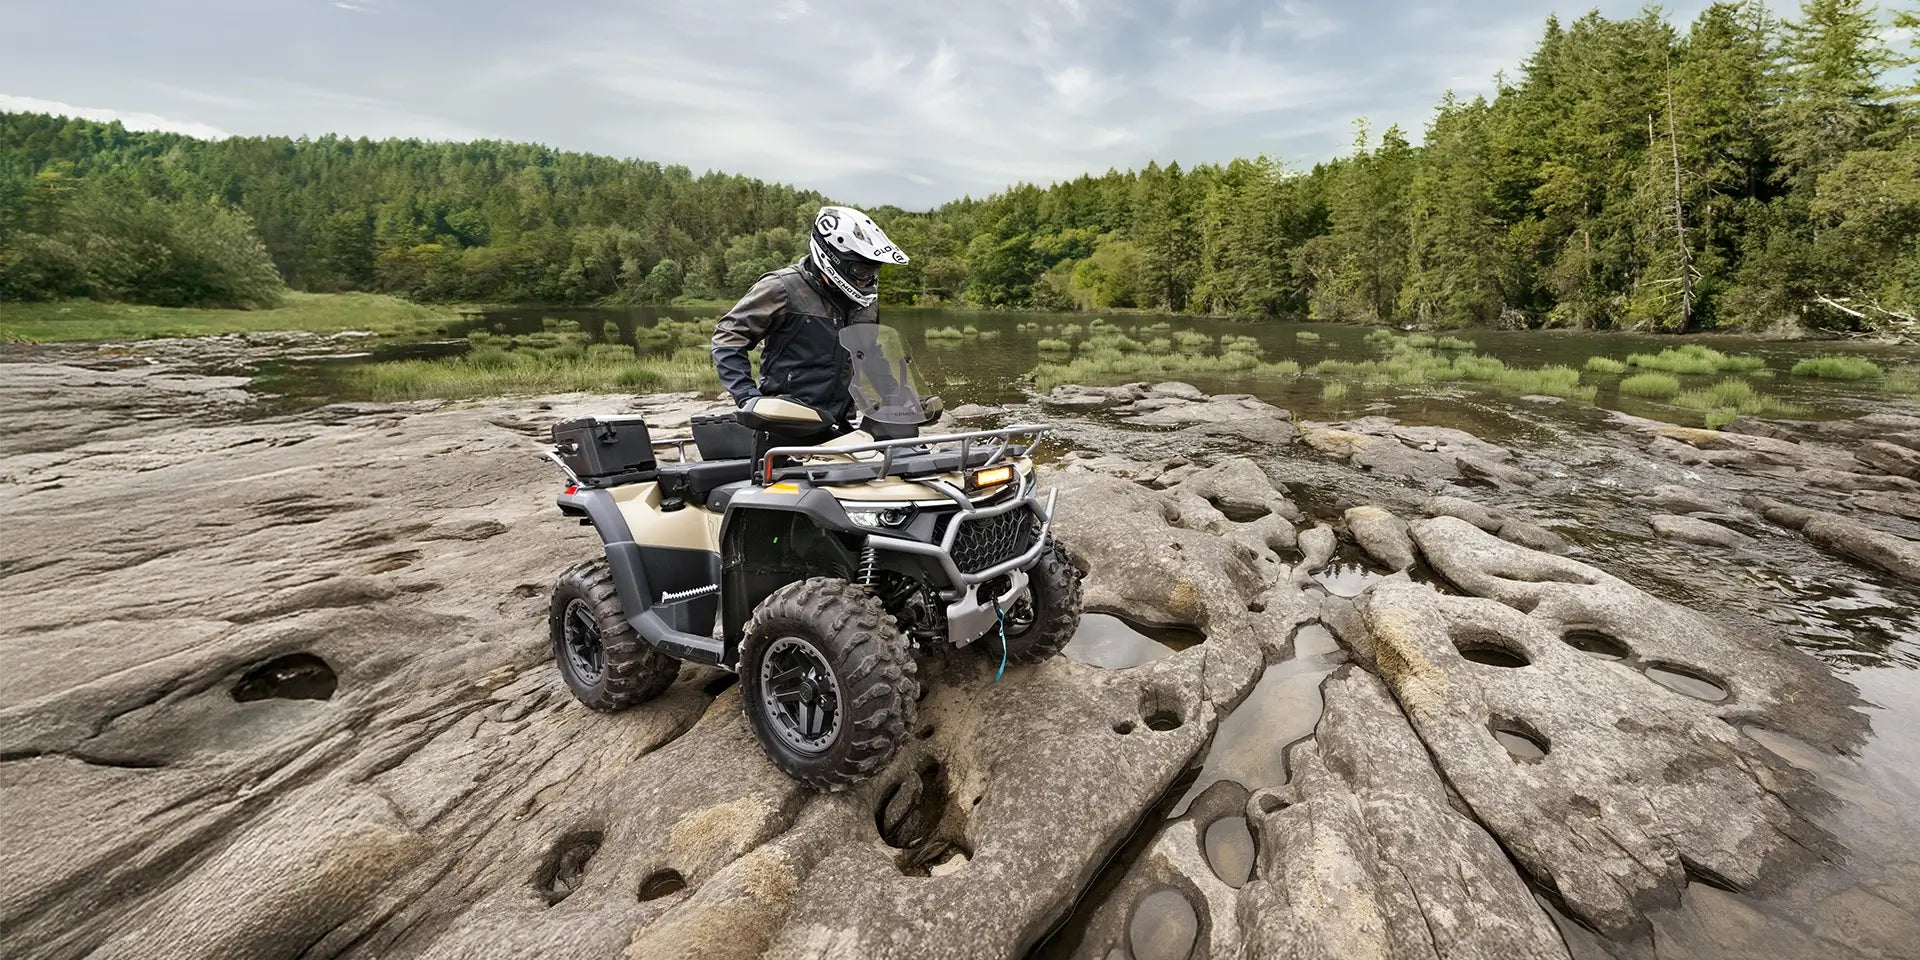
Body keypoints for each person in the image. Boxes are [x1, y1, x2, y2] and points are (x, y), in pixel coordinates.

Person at [710, 205, 909, 430]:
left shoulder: (865, 302)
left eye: (874, 270)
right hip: (786, 422)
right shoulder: (782, 288)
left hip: (839, 422)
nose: (868, 278)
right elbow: (728, 337)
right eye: (861, 270)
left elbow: (870, 355)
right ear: (834, 257)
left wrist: (896, 398)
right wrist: (747, 396)